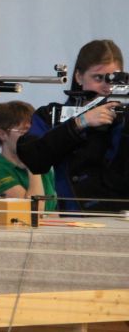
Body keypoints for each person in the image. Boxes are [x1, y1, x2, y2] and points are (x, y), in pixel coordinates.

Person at [17, 40, 129, 213]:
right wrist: (80, 123)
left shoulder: (124, 117)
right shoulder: (53, 114)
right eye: (98, 78)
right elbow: (33, 158)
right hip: (75, 216)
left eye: (114, 79)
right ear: (79, 77)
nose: (107, 87)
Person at [0, 101, 57, 212]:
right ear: (2, 134)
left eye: (33, 130)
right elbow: (33, 211)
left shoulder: (45, 169)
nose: (33, 136)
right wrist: (33, 164)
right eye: (24, 131)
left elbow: (56, 212)